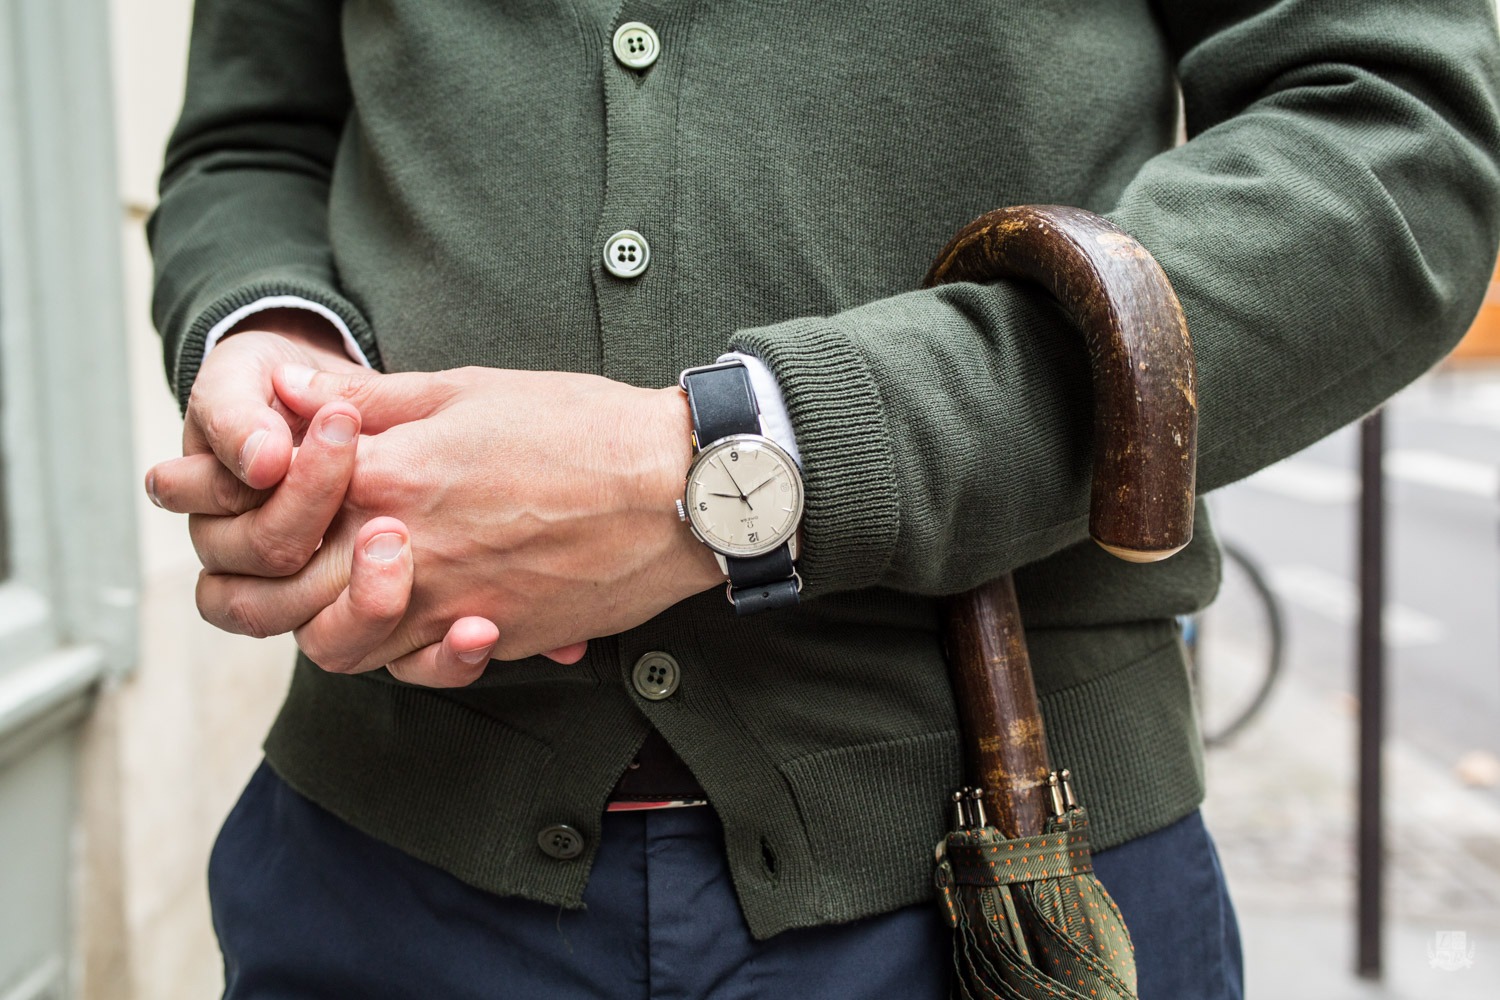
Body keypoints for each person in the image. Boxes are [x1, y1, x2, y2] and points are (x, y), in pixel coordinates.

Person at [144, 1, 1500, 997]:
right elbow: (254, 141)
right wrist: (275, 349)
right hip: (375, 875)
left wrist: (727, 467)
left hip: (995, 885)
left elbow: (1393, 140)